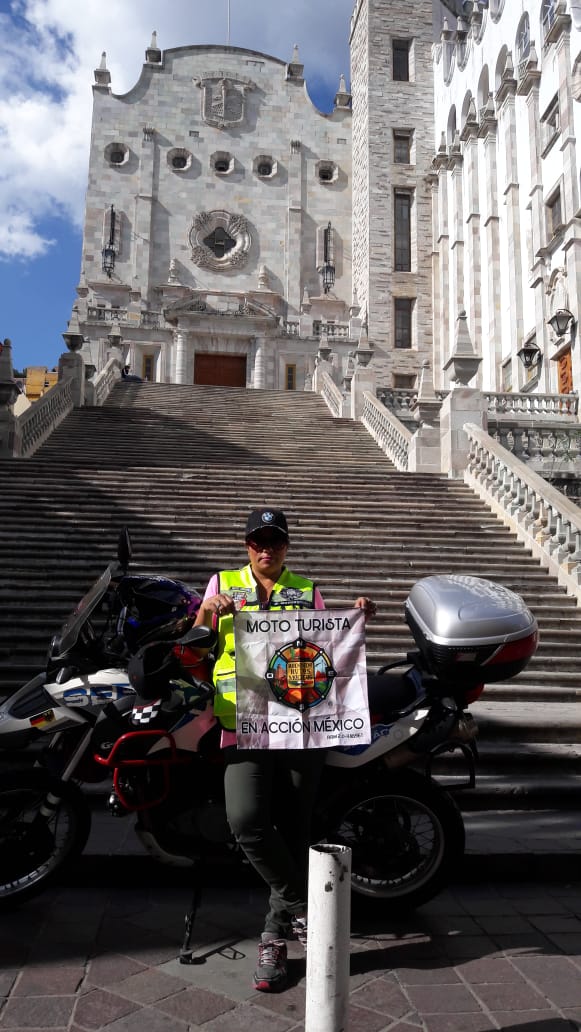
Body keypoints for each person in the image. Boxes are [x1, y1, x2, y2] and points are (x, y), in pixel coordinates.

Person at [194, 508, 376, 993]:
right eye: (258, 541)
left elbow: (326, 645)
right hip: (243, 720)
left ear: (287, 546)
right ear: (246, 545)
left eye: (275, 541)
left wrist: (355, 617)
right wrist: (209, 612)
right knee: (247, 819)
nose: (266, 549)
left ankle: (274, 938)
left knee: (295, 828)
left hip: (300, 722)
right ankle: (305, 908)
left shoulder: (306, 588)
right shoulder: (222, 583)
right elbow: (195, 641)